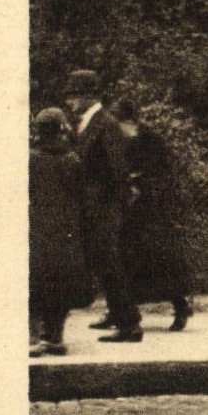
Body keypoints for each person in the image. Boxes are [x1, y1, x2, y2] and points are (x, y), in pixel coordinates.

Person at [62, 69, 142, 342]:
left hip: (104, 208)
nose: (70, 102)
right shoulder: (89, 122)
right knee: (105, 264)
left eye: (73, 96)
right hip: (95, 207)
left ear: (87, 96)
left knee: (110, 265)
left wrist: (111, 207)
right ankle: (122, 318)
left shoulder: (104, 123)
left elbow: (117, 169)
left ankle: (129, 324)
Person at [113, 99, 193, 332]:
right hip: (132, 211)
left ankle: (180, 307)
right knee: (126, 261)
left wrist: (141, 183)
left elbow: (166, 174)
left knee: (162, 261)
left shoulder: (151, 141)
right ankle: (116, 311)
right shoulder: (123, 141)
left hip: (154, 211)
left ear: (129, 121)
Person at [29, 108, 91, 356]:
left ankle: (33, 336)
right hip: (65, 231)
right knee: (60, 285)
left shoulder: (30, 159)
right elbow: (82, 197)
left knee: (35, 283)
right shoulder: (72, 160)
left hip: (36, 229)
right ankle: (54, 336)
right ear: (62, 130)